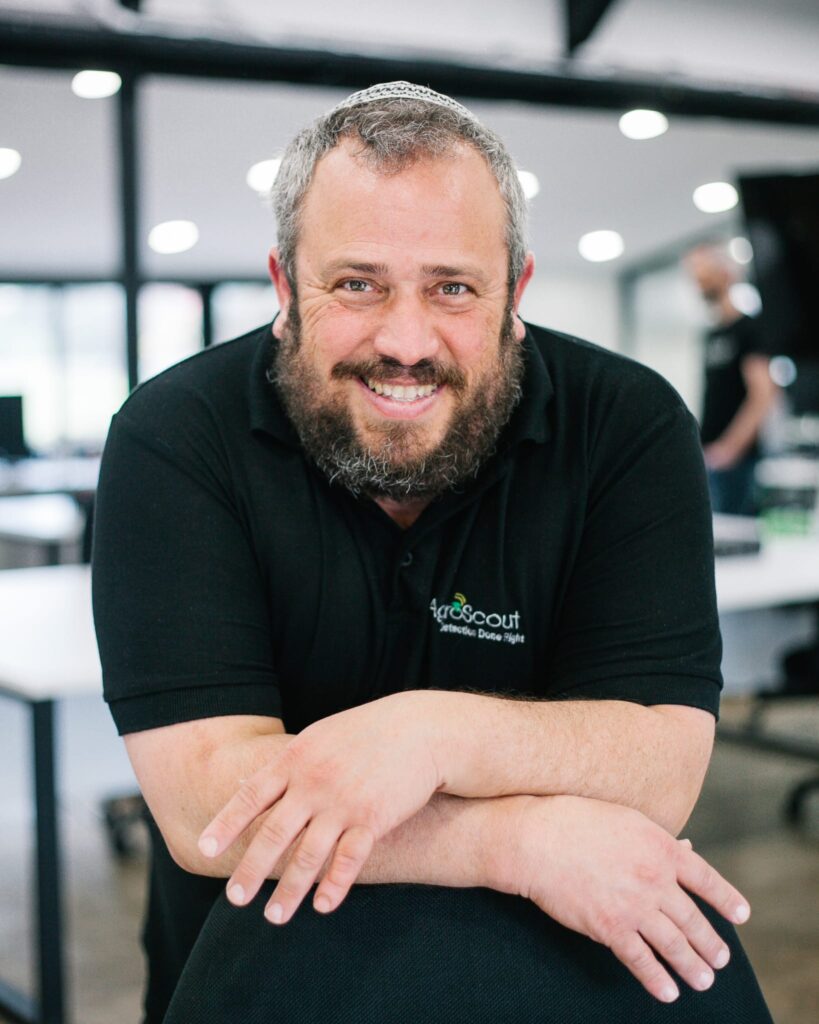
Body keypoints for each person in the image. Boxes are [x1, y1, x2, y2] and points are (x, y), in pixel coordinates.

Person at [92, 82, 772, 1023]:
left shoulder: (625, 424)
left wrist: (431, 732)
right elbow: (209, 806)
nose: (404, 342)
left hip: (565, 965)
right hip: (260, 969)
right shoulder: (176, 437)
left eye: (452, 288)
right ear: (287, 286)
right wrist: (513, 838)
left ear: (514, 292)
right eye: (357, 283)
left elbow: (659, 763)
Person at [685, 244, 778, 515]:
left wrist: (730, 448)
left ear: (726, 273)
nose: (698, 281)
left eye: (704, 272)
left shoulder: (750, 329)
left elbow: (764, 394)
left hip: (737, 462)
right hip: (710, 455)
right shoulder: (712, 334)